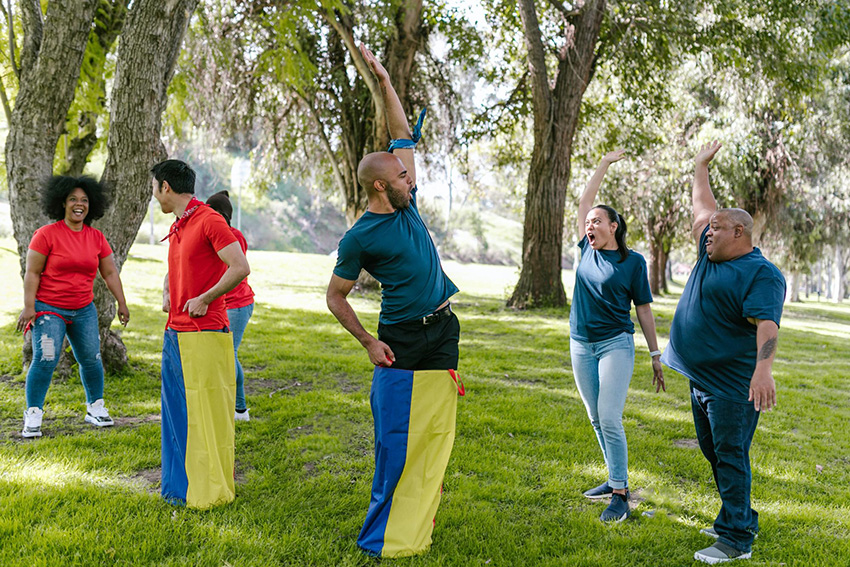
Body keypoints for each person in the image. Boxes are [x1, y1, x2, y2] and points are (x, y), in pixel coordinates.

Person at [326, 44, 462, 557]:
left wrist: (383, 80)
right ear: (382, 186)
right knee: (394, 438)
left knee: (434, 429)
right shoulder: (360, 236)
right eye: (403, 176)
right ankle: (383, 530)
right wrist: (366, 341)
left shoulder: (406, 203)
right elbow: (335, 297)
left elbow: (401, 131)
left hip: (443, 328)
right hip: (400, 337)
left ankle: (419, 516)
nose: (412, 179)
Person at [661, 141, 785, 564]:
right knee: (715, 453)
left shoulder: (761, 274)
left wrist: (763, 372)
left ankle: (735, 540)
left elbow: (767, 325)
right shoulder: (710, 254)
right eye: (707, 228)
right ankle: (739, 516)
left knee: (730, 455)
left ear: (740, 233)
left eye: (716, 228)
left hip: (732, 387)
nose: (706, 231)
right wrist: (699, 166)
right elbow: (701, 207)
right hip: (701, 380)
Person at [570, 150, 665, 522]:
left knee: (609, 416)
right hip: (581, 343)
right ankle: (614, 480)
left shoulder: (633, 262)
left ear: (614, 227)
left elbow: (643, 309)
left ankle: (621, 494)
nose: (590, 225)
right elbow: (584, 200)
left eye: (597, 222)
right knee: (595, 416)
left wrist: (655, 355)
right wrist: (604, 165)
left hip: (615, 345)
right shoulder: (584, 249)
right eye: (588, 222)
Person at [153, 159, 250, 509]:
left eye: (155, 188)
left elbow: (240, 267)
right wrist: (168, 291)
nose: (155, 196)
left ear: (165, 186)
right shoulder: (181, 224)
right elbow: (182, 266)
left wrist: (206, 297)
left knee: (205, 418)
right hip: (175, 332)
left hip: (205, 334)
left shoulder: (208, 219)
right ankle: (179, 490)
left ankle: (208, 491)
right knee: (177, 415)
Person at [16, 176, 130, 438]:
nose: (79, 205)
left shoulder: (96, 237)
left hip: (83, 309)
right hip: (49, 309)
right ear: (62, 203)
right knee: (45, 359)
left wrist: (121, 303)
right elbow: (32, 273)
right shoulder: (46, 234)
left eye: (84, 200)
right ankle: (33, 413)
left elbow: (110, 273)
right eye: (73, 200)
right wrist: (28, 306)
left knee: (91, 358)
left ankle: (95, 407)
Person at [206, 190, 255, 422]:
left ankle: (240, 409)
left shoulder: (234, 236)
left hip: (237, 304)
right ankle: (222, 402)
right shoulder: (208, 232)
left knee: (228, 355)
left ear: (222, 215)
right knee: (219, 355)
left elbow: (233, 268)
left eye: (212, 212)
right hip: (219, 303)